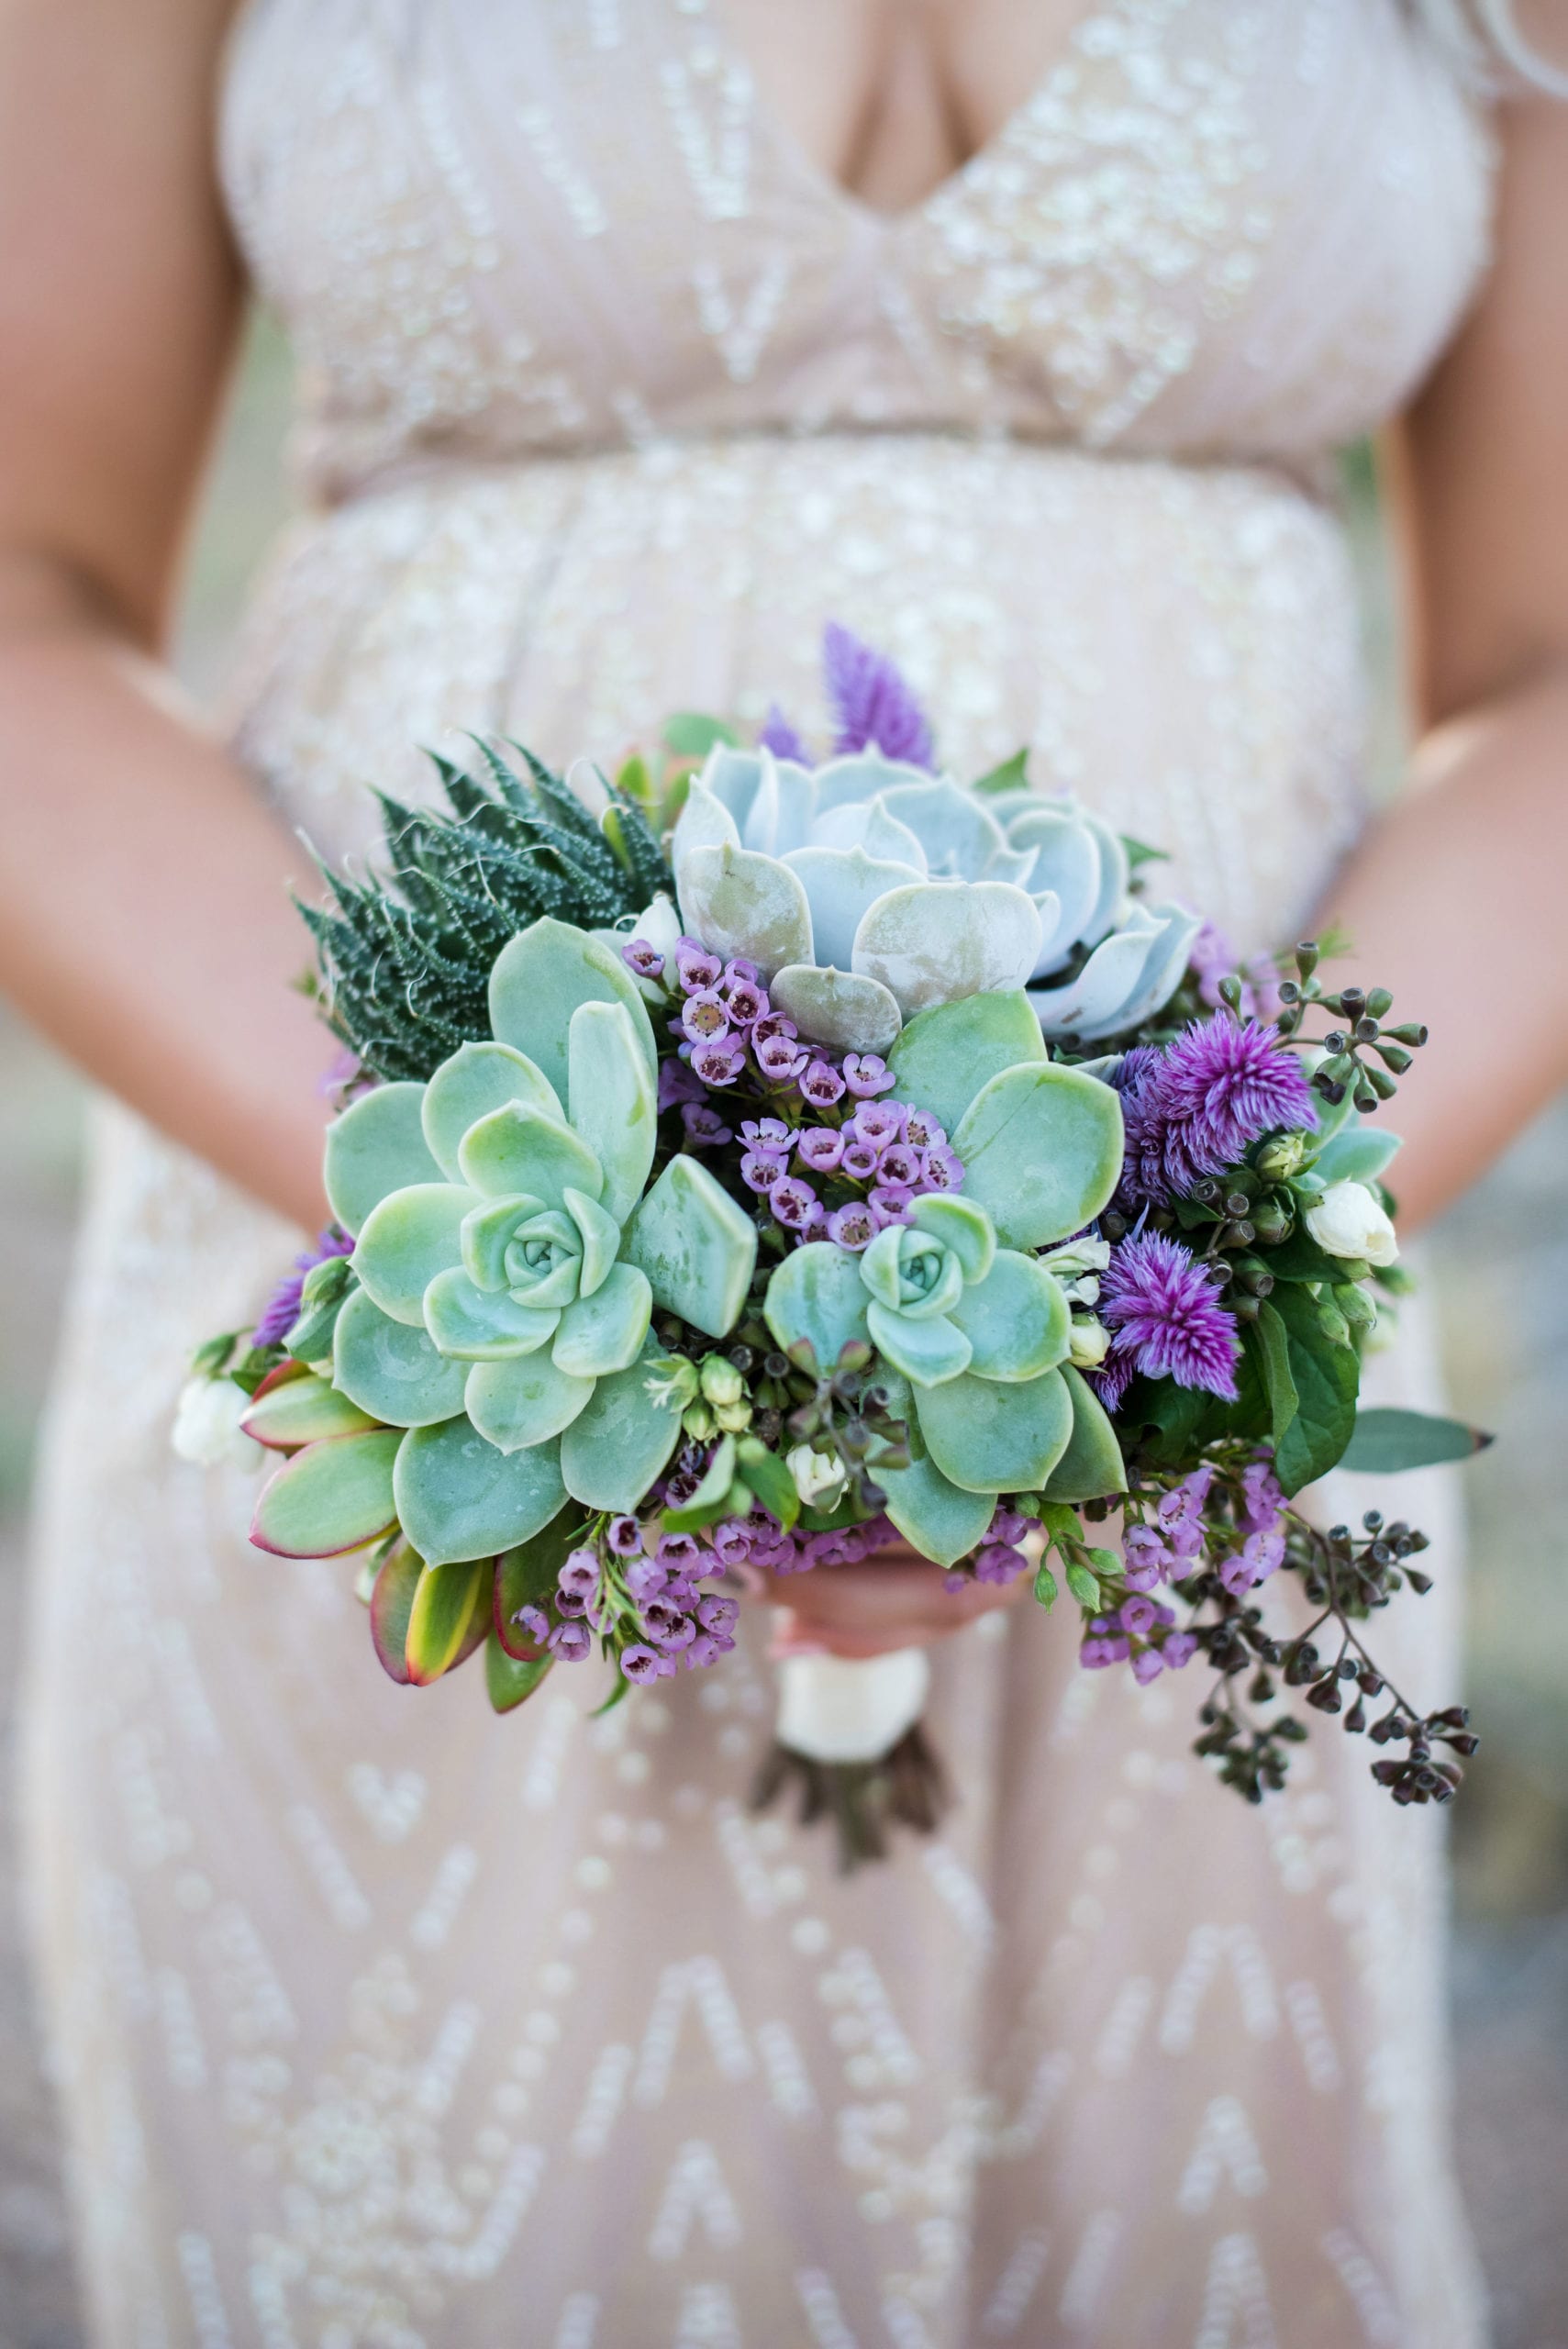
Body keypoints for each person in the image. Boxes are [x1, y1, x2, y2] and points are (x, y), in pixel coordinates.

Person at [3, 2, 1565, 2342]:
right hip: (434, 1369)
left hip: (1187, 1469)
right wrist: (579, 1278)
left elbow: (1550, 668)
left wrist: (1182, 1280)